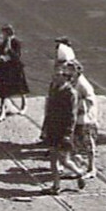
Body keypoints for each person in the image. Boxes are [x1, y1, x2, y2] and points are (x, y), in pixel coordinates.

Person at [41, 65, 83, 195]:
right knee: (53, 159)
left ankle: (79, 173)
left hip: (63, 130)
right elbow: (49, 111)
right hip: (52, 128)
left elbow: (72, 115)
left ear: (65, 78)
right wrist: (44, 128)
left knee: (64, 160)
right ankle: (56, 186)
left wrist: (68, 133)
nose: (55, 77)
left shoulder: (71, 93)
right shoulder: (54, 88)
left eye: (58, 75)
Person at [71, 62, 98, 182]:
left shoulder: (83, 84)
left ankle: (91, 168)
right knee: (76, 143)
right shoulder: (74, 81)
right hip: (77, 118)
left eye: (69, 70)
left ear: (76, 71)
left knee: (88, 144)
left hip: (86, 119)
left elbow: (90, 100)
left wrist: (78, 106)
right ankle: (79, 166)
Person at [0, 24, 29, 120]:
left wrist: (9, 51)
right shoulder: (4, 42)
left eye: (4, 33)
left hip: (16, 68)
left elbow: (17, 56)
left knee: (21, 88)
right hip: (6, 69)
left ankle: (24, 106)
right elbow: (0, 51)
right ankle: (2, 111)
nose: (3, 35)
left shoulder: (15, 42)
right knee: (4, 90)